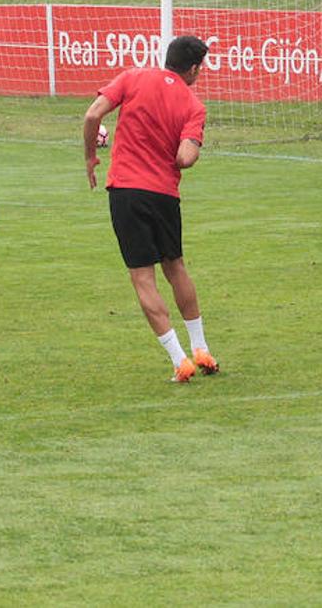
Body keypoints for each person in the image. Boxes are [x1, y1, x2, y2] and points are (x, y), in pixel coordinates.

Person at [83, 35, 218, 383]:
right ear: (192, 69)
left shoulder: (132, 77)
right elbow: (185, 158)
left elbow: (92, 115)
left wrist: (90, 156)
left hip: (126, 191)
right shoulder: (194, 105)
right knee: (176, 268)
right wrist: (186, 150)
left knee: (143, 277)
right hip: (164, 196)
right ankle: (201, 347)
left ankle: (180, 360)